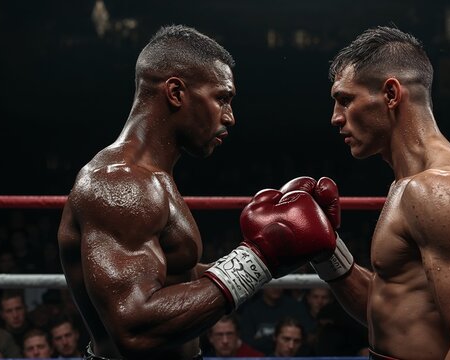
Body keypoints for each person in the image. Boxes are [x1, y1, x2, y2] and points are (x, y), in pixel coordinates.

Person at [57, 24, 336, 360]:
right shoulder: (121, 184)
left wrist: (274, 250)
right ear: (176, 93)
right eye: (222, 98)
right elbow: (135, 328)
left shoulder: (153, 179)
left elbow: (177, 278)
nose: (230, 117)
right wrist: (259, 258)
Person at [305, 26, 450, 359]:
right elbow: (392, 309)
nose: (335, 118)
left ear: (390, 94)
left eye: (345, 100)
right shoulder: (409, 184)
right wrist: (327, 251)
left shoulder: (441, 190)